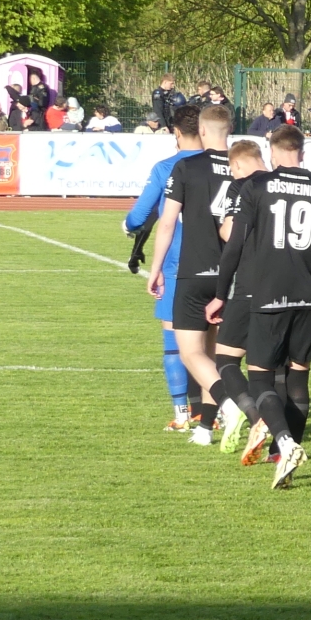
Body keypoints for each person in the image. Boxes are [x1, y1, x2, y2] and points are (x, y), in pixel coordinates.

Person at [212, 124, 311, 489]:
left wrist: (221, 294)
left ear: (272, 152)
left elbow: (234, 245)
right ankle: (282, 460)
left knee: (260, 376)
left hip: (268, 292)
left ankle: (285, 443)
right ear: (302, 153)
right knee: (297, 377)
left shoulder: (257, 186)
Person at [144, 103, 235, 441]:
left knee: (191, 353)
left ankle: (232, 405)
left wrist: (156, 269)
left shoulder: (186, 167)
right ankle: (205, 428)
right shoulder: (243, 167)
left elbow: (167, 222)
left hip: (195, 270)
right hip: (233, 273)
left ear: (203, 130)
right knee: (212, 354)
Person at [126, 104, 204, 430]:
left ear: (176, 132)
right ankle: (211, 412)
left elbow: (139, 216)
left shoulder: (166, 168)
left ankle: (182, 413)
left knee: (174, 341)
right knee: (211, 343)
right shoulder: (226, 164)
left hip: (176, 264)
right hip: (221, 265)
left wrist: (129, 226)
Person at [209, 139, 270, 461]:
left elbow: (230, 233)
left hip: (248, 282)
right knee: (271, 367)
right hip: (287, 285)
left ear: (237, 165)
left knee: (226, 360)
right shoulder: (280, 183)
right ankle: (282, 436)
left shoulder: (241, 186)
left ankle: (254, 416)